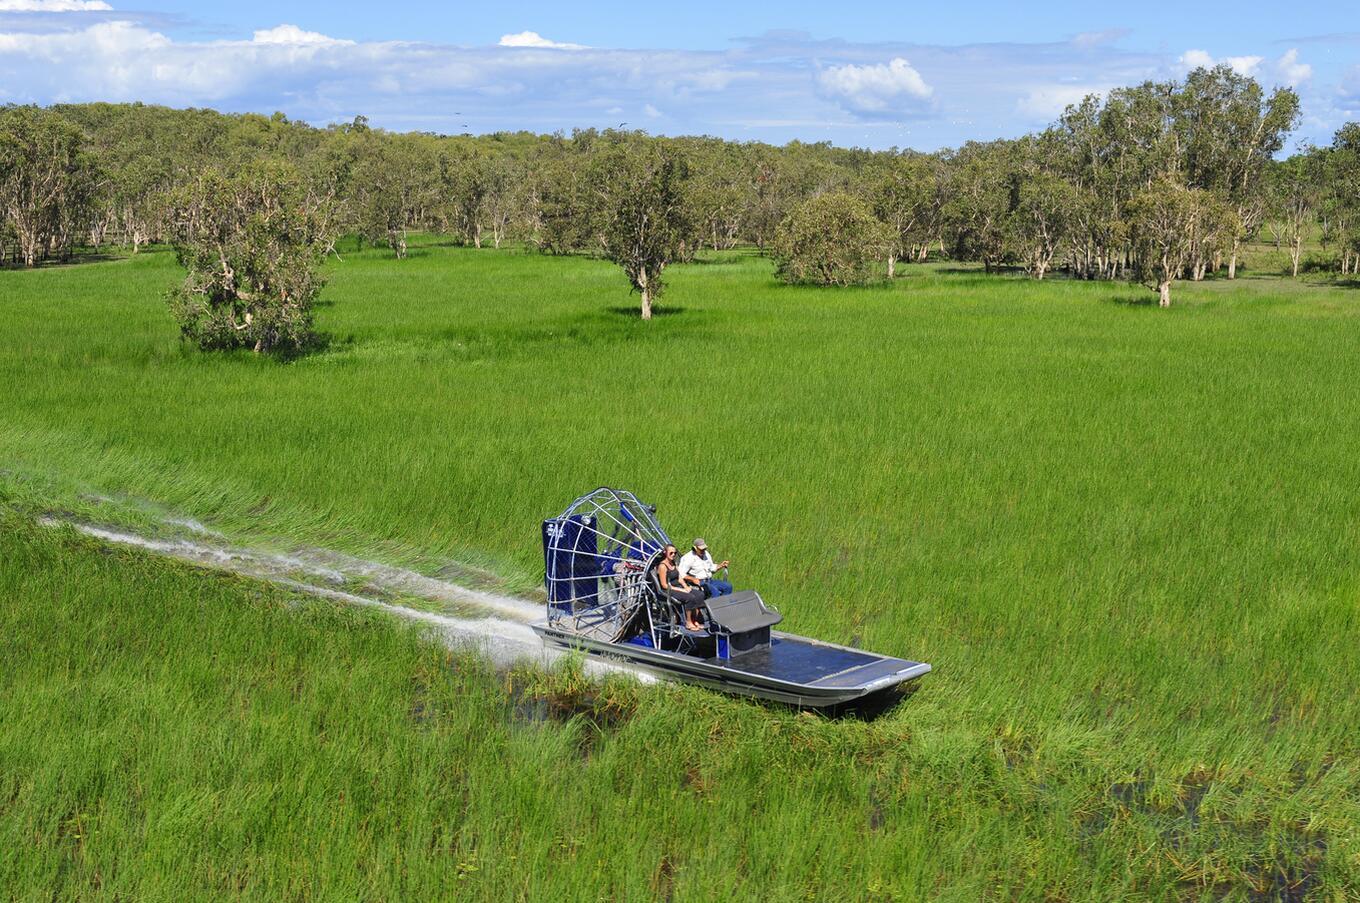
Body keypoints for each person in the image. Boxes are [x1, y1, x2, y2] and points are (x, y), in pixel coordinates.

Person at [658, 544, 707, 630]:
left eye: (675, 553)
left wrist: (685, 587)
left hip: (679, 587)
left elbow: (679, 578)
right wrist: (680, 590)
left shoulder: (673, 563)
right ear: (665, 553)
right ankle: (688, 622)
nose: (673, 555)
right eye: (671, 553)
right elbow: (664, 585)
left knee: (700, 595)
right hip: (669, 589)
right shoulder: (662, 566)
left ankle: (695, 619)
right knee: (690, 597)